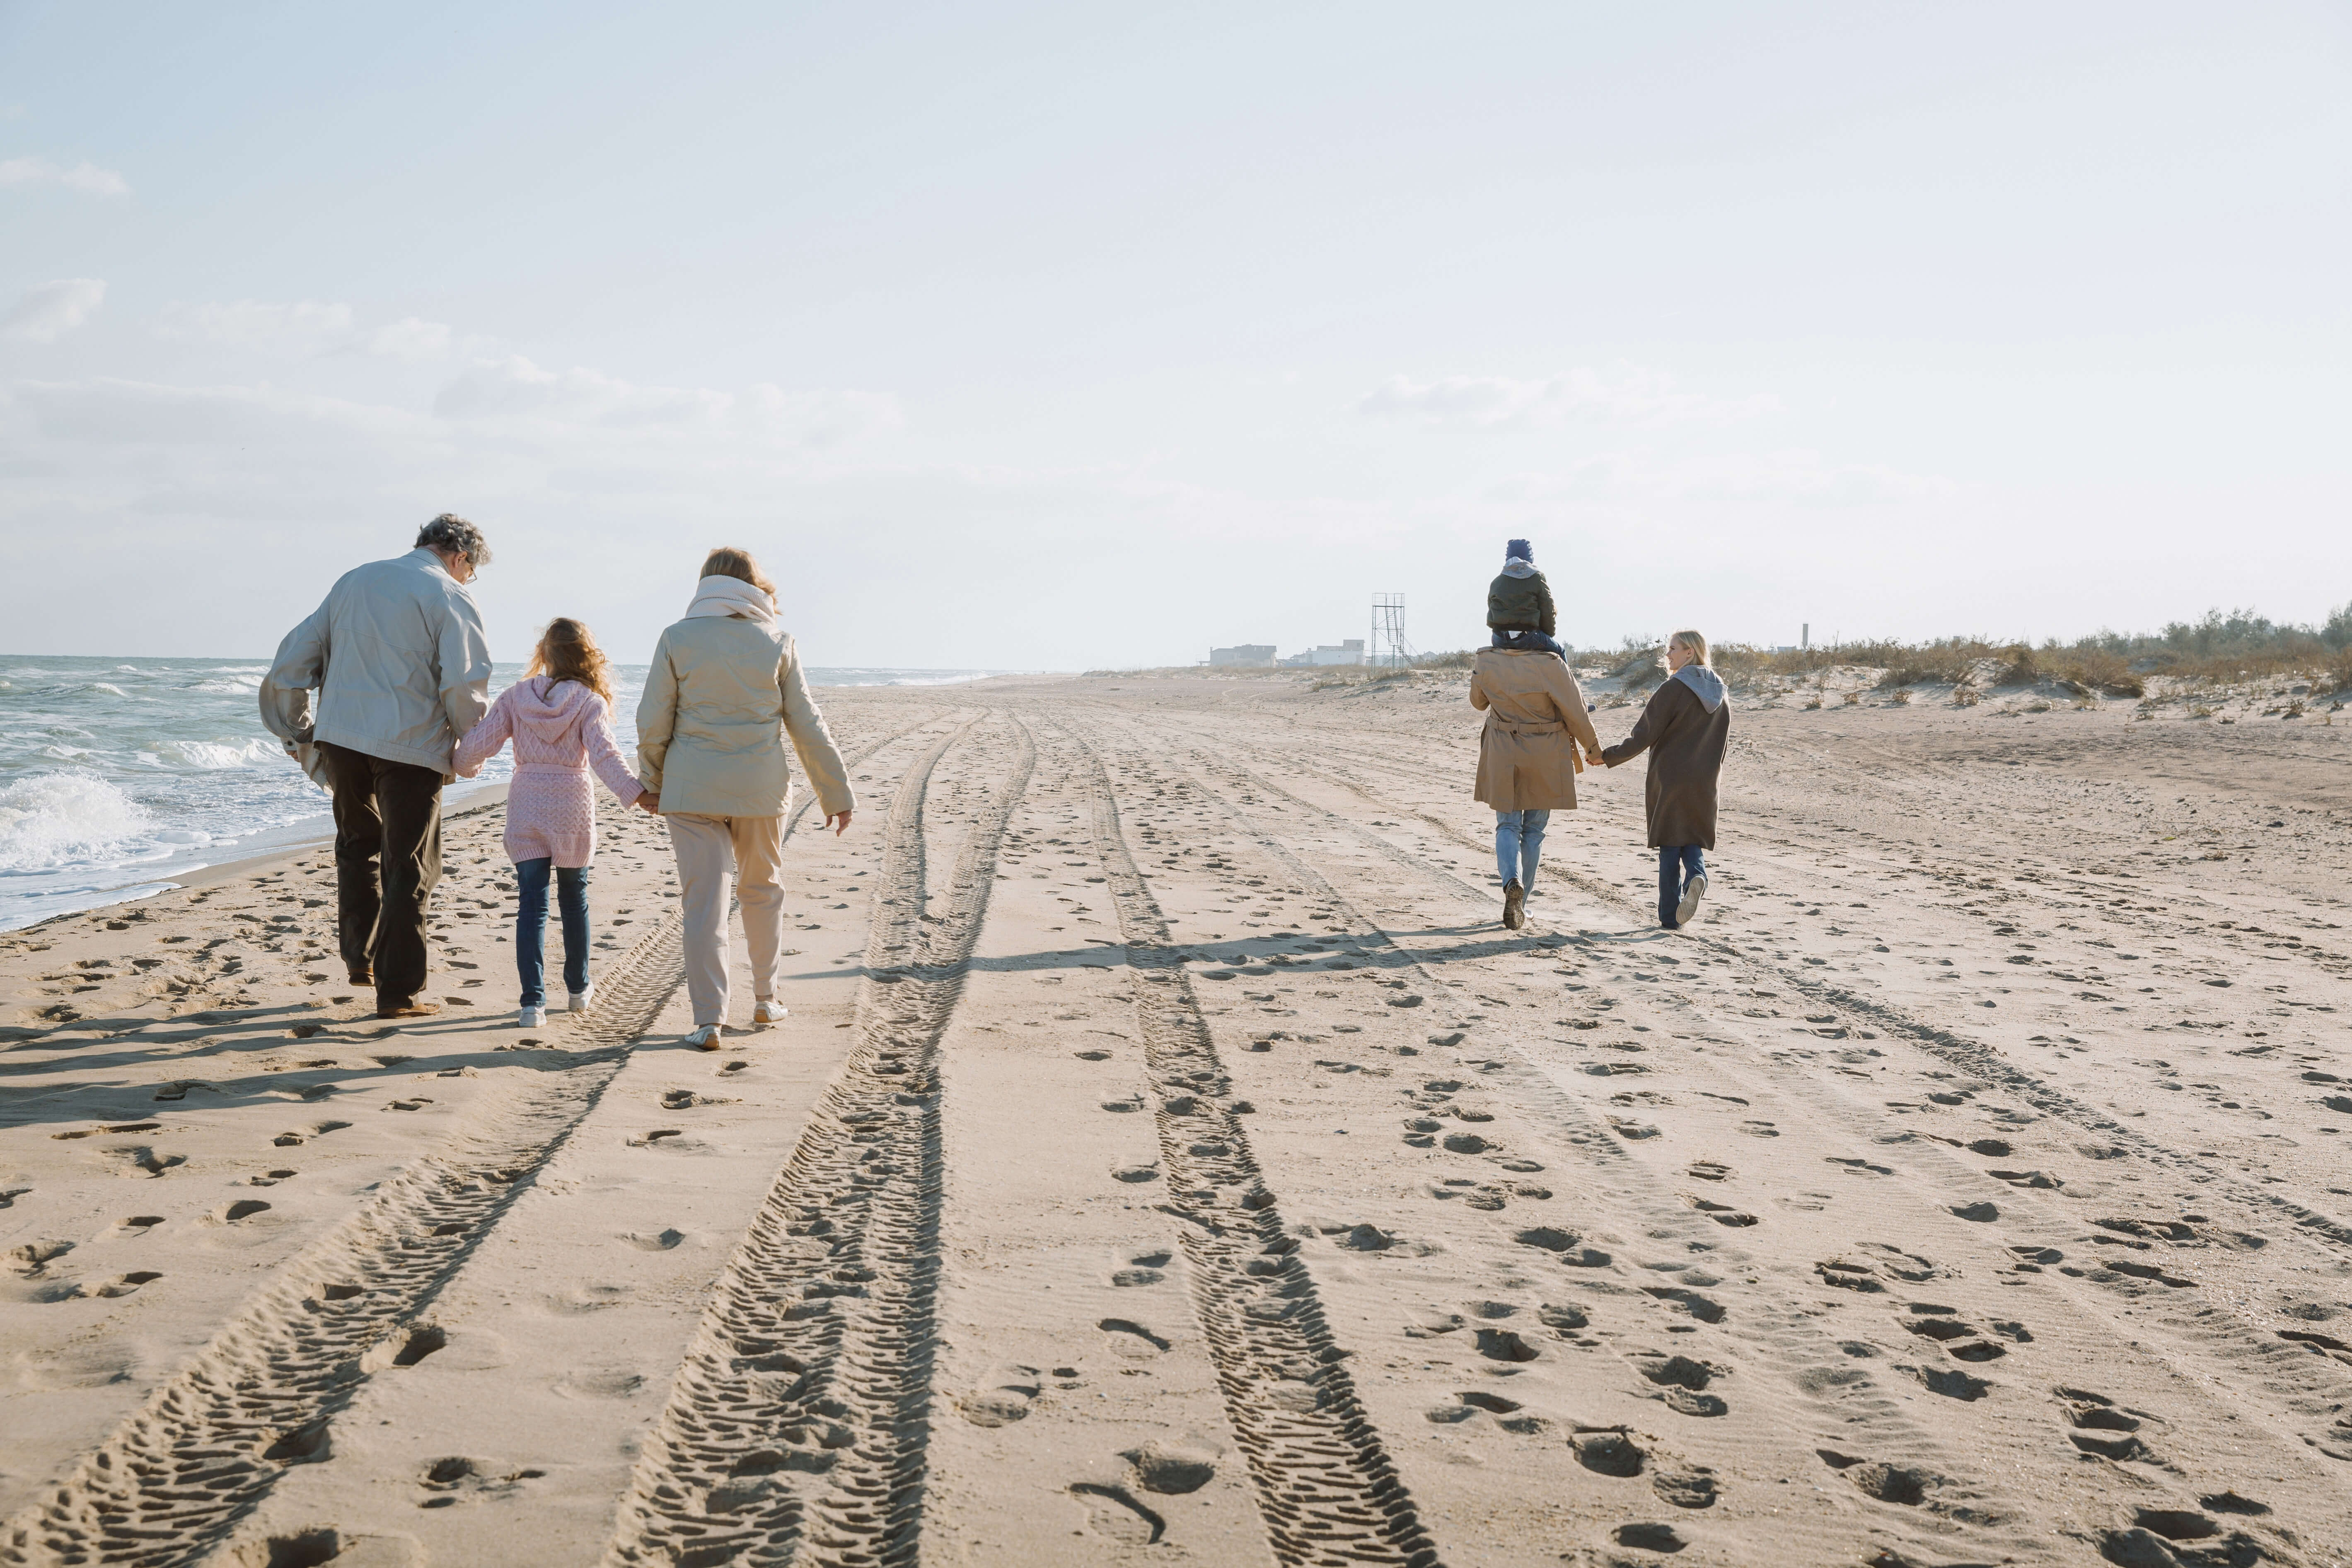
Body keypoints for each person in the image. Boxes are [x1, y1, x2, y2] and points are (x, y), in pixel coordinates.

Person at [261, 515, 493, 1019]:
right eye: (470, 571)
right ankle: (399, 991)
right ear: (460, 557)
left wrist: (299, 728)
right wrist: (472, 744)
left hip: (342, 737)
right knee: (408, 864)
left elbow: (293, 659)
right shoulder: (450, 594)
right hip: (410, 745)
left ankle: (360, 959)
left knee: (357, 847)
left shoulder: (356, 578)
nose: (467, 578)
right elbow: (461, 683)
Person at [637, 547, 855, 1049]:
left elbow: (653, 718)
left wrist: (651, 780)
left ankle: (708, 1019)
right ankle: (765, 999)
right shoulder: (777, 639)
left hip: (691, 787)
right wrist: (835, 793)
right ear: (755, 586)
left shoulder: (676, 637)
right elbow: (806, 723)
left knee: (704, 905)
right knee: (762, 891)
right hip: (760, 788)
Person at [454, 619, 655, 1028]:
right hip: (571, 809)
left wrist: (460, 765)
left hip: (527, 803)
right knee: (573, 900)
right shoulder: (588, 702)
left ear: (544, 654)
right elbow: (604, 756)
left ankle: (533, 1004)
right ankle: (579, 991)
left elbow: (479, 744)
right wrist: (635, 793)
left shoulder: (515, 697)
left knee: (532, 905)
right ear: (585, 655)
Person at [1599, 630, 1731, 930]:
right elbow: (1722, 744)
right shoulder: (1720, 694)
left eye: (1673, 649)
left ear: (1690, 653)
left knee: (1670, 844)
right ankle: (1697, 874)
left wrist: (1607, 757)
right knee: (1691, 836)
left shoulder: (1673, 689)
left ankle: (1670, 916)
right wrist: (1712, 776)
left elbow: (1643, 735)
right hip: (1705, 780)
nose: (1667, 655)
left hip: (1671, 777)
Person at [1470, 639, 1604, 930]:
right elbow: (1576, 712)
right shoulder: (1552, 661)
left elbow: (1478, 702)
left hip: (1503, 748)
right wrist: (1593, 750)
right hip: (1545, 751)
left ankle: (1511, 882)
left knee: (1507, 825)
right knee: (1533, 830)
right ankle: (1522, 903)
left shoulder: (1486, 658)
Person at [1488, 538, 1566, 658]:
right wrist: (1549, 636)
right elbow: (1548, 610)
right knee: (1560, 652)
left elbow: (1491, 617)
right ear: (1530, 557)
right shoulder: (1537, 578)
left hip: (1500, 639)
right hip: (1528, 637)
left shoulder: (1496, 582)